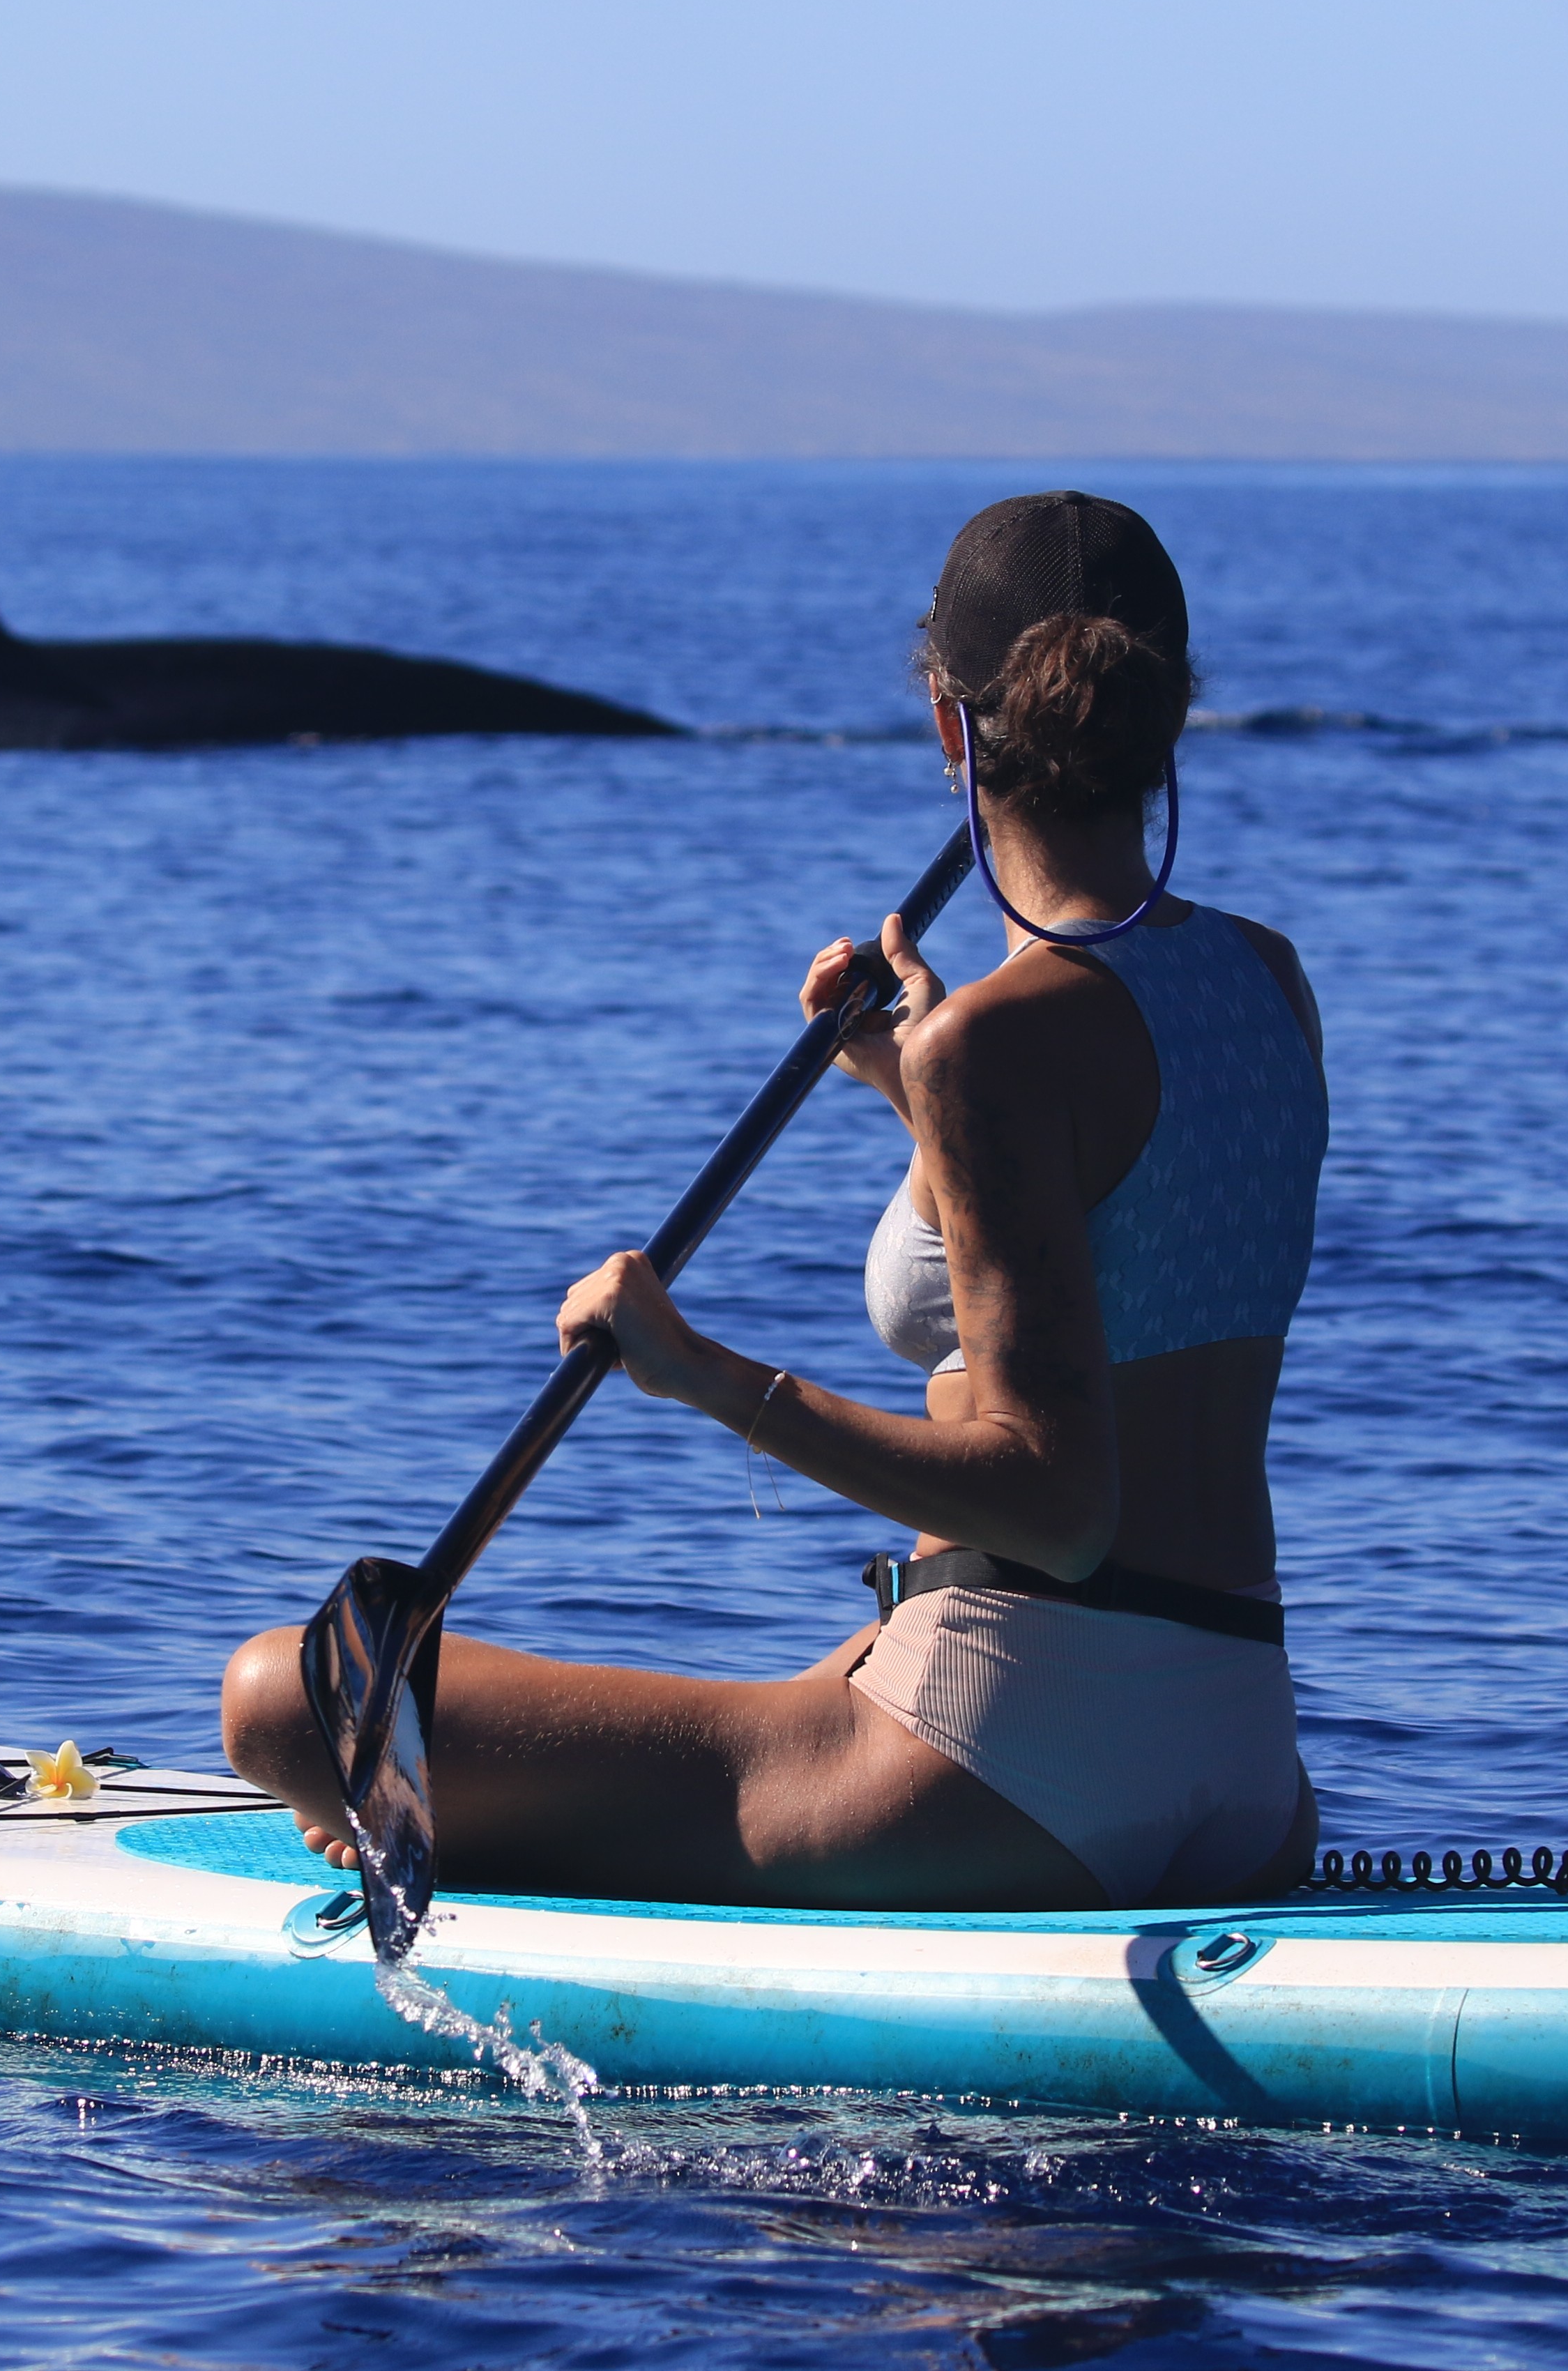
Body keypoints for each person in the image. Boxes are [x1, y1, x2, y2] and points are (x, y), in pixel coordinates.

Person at [217, 492, 1327, 1912]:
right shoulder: (1262, 981)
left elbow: (1057, 1508)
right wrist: (911, 1083)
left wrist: (697, 1370)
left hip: (1012, 1761)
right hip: (1244, 1764)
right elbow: (1130, 1226)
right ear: (1170, 718)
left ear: (952, 727)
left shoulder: (995, 1045)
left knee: (284, 1696)